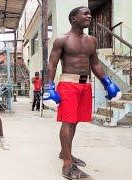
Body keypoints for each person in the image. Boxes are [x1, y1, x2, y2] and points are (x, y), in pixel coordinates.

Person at [43, 7, 121, 179]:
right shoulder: (62, 40)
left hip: (85, 86)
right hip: (68, 84)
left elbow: (95, 64)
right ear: (73, 18)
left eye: (90, 14)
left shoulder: (91, 40)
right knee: (68, 122)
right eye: (84, 13)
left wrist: (107, 82)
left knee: (75, 122)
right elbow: (52, 64)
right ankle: (67, 166)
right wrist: (49, 86)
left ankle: (66, 153)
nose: (89, 16)